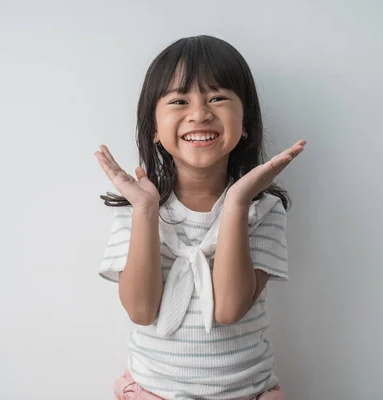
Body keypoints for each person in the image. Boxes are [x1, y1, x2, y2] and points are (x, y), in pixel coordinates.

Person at [95, 35, 305, 400]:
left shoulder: (263, 211)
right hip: (153, 391)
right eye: (179, 101)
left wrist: (237, 203)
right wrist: (145, 211)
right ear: (155, 131)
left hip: (246, 392)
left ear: (245, 125)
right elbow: (141, 311)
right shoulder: (136, 210)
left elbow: (229, 309)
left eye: (217, 98)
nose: (200, 113)